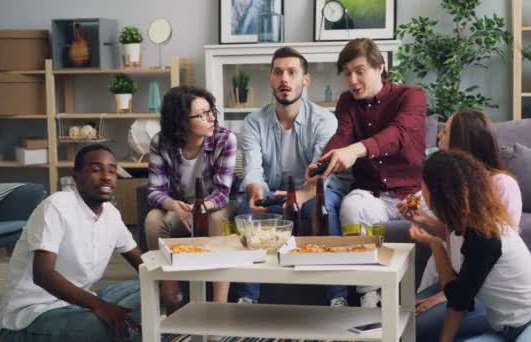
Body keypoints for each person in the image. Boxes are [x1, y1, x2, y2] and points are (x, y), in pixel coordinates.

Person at [411, 150, 531, 342]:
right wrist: (435, 243)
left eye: (423, 185)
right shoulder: (457, 230)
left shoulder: (484, 235)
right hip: (502, 332)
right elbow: (459, 299)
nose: (420, 190)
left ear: (437, 193)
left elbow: (458, 300)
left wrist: (436, 245)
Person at [313, 37, 426, 307]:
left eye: (359, 71)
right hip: (373, 196)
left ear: (380, 67)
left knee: (452, 217)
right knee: (351, 206)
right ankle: (370, 296)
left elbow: (398, 134)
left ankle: (432, 295)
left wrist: (356, 150)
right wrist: (320, 165)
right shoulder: (347, 102)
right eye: (347, 73)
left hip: (415, 194)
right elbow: (342, 136)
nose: (352, 80)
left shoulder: (411, 96)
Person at [236, 46, 350, 306]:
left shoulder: (324, 121)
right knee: (248, 210)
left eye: (292, 72)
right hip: (273, 190)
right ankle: (246, 297)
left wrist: (299, 196)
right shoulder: (254, 121)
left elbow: (323, 173)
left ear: (305, 79)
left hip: (317, 190)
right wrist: (255, 189)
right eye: (278, 72)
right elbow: (253, 167)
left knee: (324, 210)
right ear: (271, 78)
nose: (284, 79)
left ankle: (338, 296)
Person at [398, 108, 523, 341]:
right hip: (455, 284)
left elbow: (492, 255)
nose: (438, 137)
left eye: (444, 132)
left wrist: (448, 297)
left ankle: (494, 330)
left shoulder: (502, 185)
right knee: (402, 319)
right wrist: (422, 220)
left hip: (483, 291)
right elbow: (457, 236)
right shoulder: (455, 185)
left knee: (413, 329)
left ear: (461, 142)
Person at [0, 144, 143, 342]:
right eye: (95, 169)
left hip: (79, 302)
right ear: (76, 176)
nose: (106, 176)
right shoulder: (57, 205)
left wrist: (166, 285)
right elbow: (43, 275)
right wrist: (100, 306)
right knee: (107, 328)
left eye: (112, 170)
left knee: (149, 291)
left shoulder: (111, 214)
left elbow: (141, 263)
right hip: (32, 315)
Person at [144, 86, 237, 313]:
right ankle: (172, 298)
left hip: (216, 205)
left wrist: (199, 208)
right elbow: (155, 190)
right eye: (202, 114)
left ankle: (219, 306)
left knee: (216, 219)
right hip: (180, 207)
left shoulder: (225, 139)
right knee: (153, 220)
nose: (211, 118)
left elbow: (223, 192)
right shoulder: (160, 142)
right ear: (181, 122)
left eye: (210, 111)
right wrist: (173, 205)